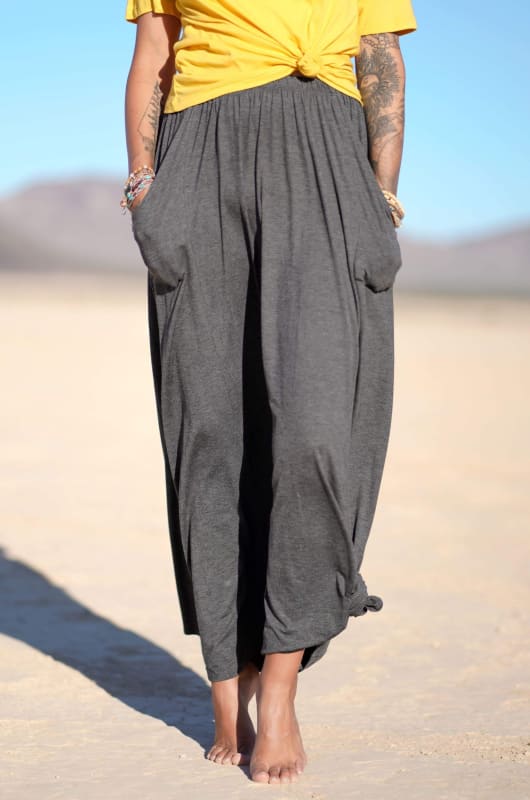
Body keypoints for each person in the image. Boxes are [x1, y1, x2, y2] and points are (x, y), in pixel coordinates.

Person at [122, 0, 417, 785]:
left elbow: (379, 53)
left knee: (317, 432)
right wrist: (146, 187)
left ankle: (281, 683)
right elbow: (155, 51)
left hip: (326, 152)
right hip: (202, 148)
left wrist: (381, 195)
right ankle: (229, 677)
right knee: (209, 431)